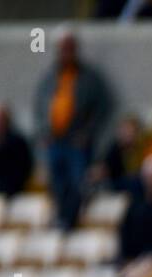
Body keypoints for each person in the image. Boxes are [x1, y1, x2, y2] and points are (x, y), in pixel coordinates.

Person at [33, 30, 113, 230]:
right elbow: (39, 107)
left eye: (70, 48)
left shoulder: (89, 77)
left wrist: (88, 133)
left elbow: (103, 107)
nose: (66, 53)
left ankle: (72, 220)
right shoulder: (50, 77)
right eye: (63, 48)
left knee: (79, 181)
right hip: (54, 140)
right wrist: (44, 133)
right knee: (57, 183)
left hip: (77, 141)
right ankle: (59, 217)